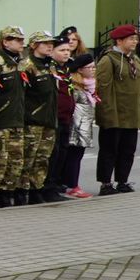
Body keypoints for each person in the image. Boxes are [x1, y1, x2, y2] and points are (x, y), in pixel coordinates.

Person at [94, 24, 140, 194]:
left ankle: (122, 181)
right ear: (119, 41)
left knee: (128, 150)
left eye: (136, 39)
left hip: (131, 114)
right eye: (131, 39)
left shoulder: (135, 59)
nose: (135, 41)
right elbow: (103, 88)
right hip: (115, 114)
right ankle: (105, 183)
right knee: (109, 150)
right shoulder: (108, 60)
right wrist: (107, 114)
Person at [0, 27, 28, 208]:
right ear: (5, 42)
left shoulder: (22, 63)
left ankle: (7, 192)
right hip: (1, 120)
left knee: (16, 161)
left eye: (22, 39)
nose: (21, 43)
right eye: (16, 39)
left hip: (17, 119)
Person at [21, 31, 61, 201]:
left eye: (51, 43)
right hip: (33, 120)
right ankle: (24, 190)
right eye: (44, 43)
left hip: (49, 119)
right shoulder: (27, 65)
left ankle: (37, 188)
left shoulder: (50, 65)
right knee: (29, 157)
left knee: (43, 158)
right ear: (34, 45)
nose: (49, 46)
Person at [58, 53, 98, 196]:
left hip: (84, 126)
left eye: (94, 67)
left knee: (78, 156)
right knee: (72, 156)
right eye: (90, 67)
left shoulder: (89, 86)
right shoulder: (75, 87)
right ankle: (71, 185)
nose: (93, 70)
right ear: (80, 70)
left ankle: (71, 183)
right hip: (75, 127)